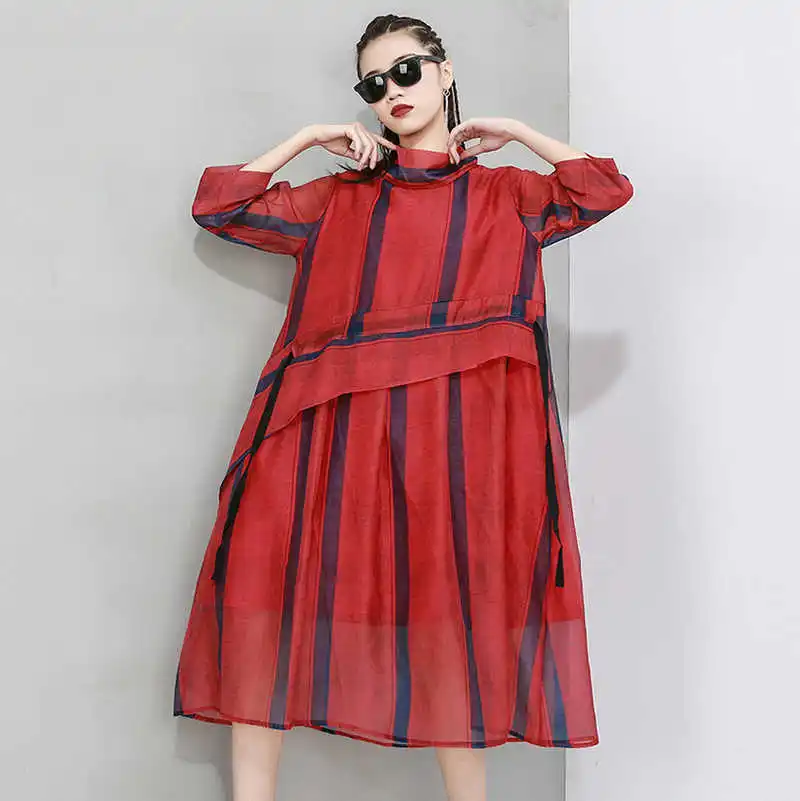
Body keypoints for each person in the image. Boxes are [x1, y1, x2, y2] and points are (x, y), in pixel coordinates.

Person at [173, 13, 634, 801]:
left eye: (408, 70)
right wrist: (308, 137)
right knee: (265, 610)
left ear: (445, 72)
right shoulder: (339, 199)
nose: (392, 90)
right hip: (326, 445)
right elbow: (221, 206)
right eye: (373, 83)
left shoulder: (504, 196)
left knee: (451, 634)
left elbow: (602, 189)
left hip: (448, 456)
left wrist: (518, 133)